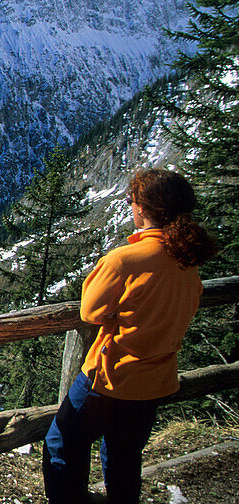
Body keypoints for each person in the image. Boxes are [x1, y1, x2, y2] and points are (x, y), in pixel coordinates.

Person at [42, 168, 216, 504]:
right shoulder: (187, 264)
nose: (130, 207)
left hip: (110, 377)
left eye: (131, 200)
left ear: (144, 209)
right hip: (154, 381)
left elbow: (90, 311)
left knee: (62, 442)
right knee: (124, 455)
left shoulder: (124, 260)